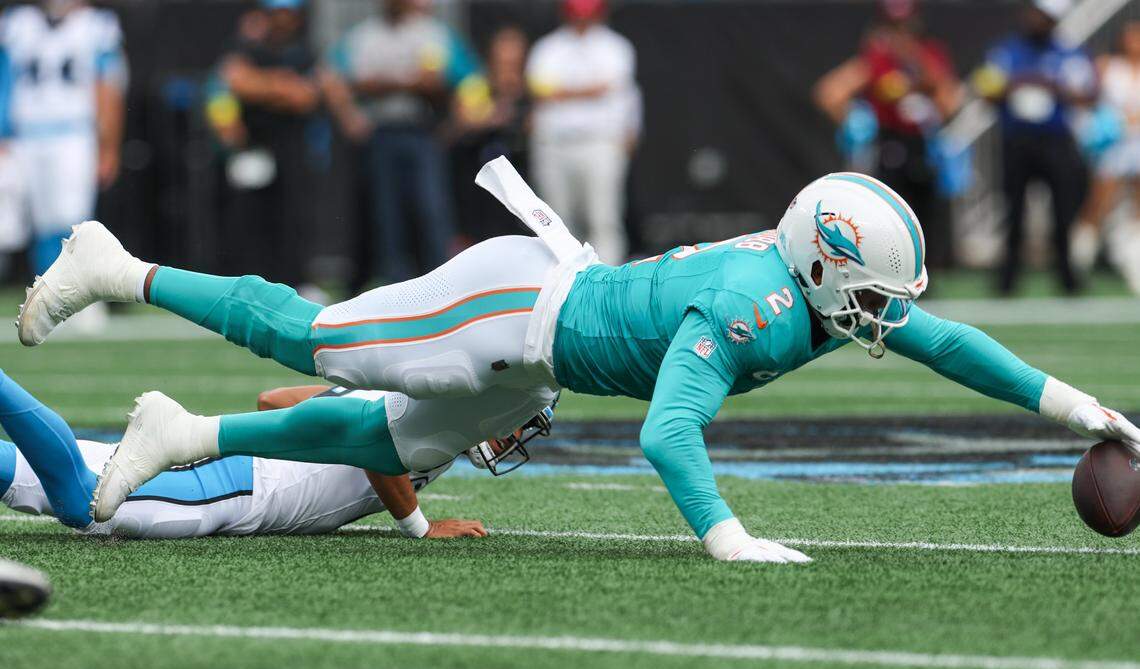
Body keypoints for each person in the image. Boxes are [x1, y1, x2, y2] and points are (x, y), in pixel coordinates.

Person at [18, 160, 1139, 564]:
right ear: (826, 263)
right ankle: (121, 265)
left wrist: (1080, 404)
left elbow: (948, 343)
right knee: (311, 338)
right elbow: (664, 431)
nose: (886, 315)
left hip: (542, 356)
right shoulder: (752, 305)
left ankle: (187, 435)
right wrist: (728, 537)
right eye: (875, 290)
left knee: (383, 440)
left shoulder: (804, 287)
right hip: (510, 307)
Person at [0, 369, 553, 539]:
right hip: (235, 487)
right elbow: (378, 449)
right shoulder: (431, 420)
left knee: (34, 478)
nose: (511, 437)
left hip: (237, 473)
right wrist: (420, 527)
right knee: (81, 504)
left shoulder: (412, 394)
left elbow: (276, 401)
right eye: (516, 423)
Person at [321, 0, 478, 283]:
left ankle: (443, 282)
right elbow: (330, 76)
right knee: (387, 214)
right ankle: (396, 283)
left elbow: (467, 78)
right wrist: (350, 117)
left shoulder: (432, 34)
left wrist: (457, 124)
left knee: (431, 210)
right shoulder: (364, 36)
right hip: (381, 134)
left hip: (422, 132)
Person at [814, 0, 962, 270]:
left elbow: (949, 101)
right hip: (890, 143)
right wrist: (858, 121)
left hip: (923, 146)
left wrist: (917, 69)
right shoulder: (876, 59)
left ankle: (927, 272)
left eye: (906, 27)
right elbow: (830, 93)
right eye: (894, 27)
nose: (901, 34)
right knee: (889, 211)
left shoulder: (929, 55)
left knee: (926, 213)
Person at [974, 0, 1097, 295]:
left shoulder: (1067, 53)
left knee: (1063, 211)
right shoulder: (1006, 50)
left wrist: (1054, 87)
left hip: (1055, 142)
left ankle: (1067, 277)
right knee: (1013, 211)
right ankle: (1008, 279)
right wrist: (1015, 85)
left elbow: (1088, 93)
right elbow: (986, 90)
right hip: (1017, 142)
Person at [0, 0, 126, 276]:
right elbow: (5, 80)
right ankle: (46, 290)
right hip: (26, 135)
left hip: (74, 133)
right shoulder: (17, 23)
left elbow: (109, 87)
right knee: (39, 222)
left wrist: (109, 147)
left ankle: (80, 290)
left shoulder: (97, 25)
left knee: (74, 220)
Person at [205, 0, 321, 289]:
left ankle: (296, 282)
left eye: (288, 14)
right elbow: (232, 82)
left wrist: (258, 86)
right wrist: (279, 85)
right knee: (249, 219)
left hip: (293, 149)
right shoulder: (246, 49)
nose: (282, 20)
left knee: (293, 218)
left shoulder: (304, 54)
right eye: (276, 14)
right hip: (253, 147)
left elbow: (304, 97)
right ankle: (249, 281)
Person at [526, 0, 639, 265]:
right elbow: (539, 90)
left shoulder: (616, 47)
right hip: (554, 144)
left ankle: (607, 286)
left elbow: (619, 91)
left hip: (599, 143)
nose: (582, 20)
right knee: (556, 223)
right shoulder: (547, 48)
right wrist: (588, 91)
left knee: (604, 219)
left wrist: (562, 93)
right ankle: (561, 287)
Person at [1070, 20, 1140, 294]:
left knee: (1138, 211)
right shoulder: (1108, 66)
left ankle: (1134, 266)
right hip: (1113, 146)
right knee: (1097, 205)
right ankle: (1076, 265)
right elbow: (1085, 98)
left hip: (1138, 145)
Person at [447, 26, 532, 243]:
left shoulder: (534, 86)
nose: (507, 63)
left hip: (524, 175)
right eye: (502, 56)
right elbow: (459, 124)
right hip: (482, 176)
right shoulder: (476, 86)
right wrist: (492, 117)